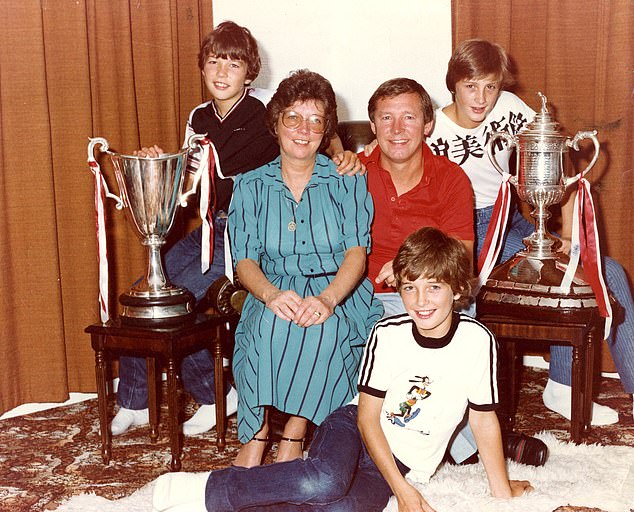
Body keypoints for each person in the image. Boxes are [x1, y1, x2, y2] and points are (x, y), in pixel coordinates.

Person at [150, 227, 533, 512]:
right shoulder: (389, 334)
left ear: (459, 289)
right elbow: (367, 418)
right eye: (410, 288)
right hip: (353, 426)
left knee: (340, 511)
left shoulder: (477, 341)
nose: (420, 301)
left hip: (401, 460)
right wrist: (402, 492)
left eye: (434, 288)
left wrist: (501, 491)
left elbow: (483, 421)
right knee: (324, 480)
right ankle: (205, 489)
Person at [111, 21, 364, 438]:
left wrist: (343, 156)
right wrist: (158, 162)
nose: (222, 72)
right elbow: (191, 181)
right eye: (214, 62)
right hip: (211, 226)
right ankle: (136, 399)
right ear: (203, 68)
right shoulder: (198, 116)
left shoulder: (267, 105)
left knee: (175, 302)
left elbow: (320, 128)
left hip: (249, 233)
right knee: (145, 291)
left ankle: (215, 395)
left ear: (250, 72)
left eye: (234, 63)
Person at [427, 38, 634, 423]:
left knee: (608, 274)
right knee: (548, 281)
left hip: (519, 223)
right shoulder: (432, 126)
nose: (482, 98)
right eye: (470, 86)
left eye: (490, 86)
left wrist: (571, 238)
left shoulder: (508, 107)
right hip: (462, 234)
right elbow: (385, 150)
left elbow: (563, 162)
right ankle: (556, 387)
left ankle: (573, 382)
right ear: (452, 83)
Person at [360, 77, 547, 467]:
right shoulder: (352, 173)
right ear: (373, 126)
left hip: (428, 291)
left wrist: (411, 267)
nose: (397, 129)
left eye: (409, 117)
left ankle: (467, 436)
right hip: (364, 295)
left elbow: (460, 258)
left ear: (428, 125)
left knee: (461, 330)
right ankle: (471, 445)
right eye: (387, 118)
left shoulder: (450, 178)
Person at [227, 69, 383, 467]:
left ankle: (294, 437)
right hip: (273, 284)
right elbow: (244, 259)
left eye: (316, 120)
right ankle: (257, 435)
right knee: (265, 326)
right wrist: (271, 295)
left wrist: (328, 299)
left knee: (323, 330)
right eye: (293, 117)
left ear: (326, 129)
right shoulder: (249, 185)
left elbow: (356, 254)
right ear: (276, 122)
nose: (303, 129)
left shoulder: (348, 180)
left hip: (338, 288)